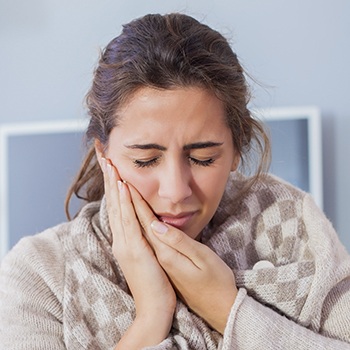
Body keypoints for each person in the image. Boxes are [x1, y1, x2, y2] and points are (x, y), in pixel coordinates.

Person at [0, 12, 350, 350]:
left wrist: (226, 309)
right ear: (103, 155)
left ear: (236, 151)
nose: (176, 191)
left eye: (203, 158)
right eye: (145, 160)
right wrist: (151, 316)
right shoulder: (38, 274)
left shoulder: (296, 229)